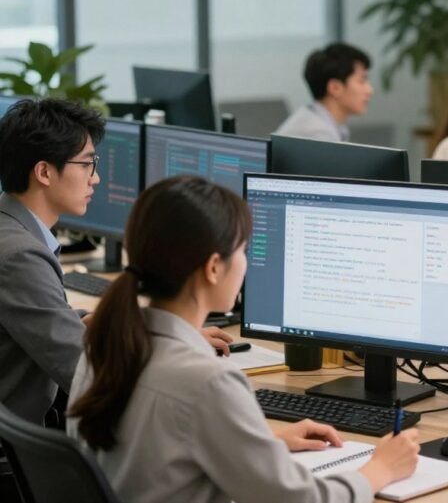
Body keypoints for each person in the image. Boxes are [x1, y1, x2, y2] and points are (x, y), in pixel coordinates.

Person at [67, 176, 420, 503]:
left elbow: (156, 452)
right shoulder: (207, 382)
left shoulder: (103, 344)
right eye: (242, 250)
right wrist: (380, 470)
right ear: (214, 267)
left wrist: (262, 446)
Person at [0, 99, 234, 428]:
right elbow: (85, 371)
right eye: (86, 164)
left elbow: (49, 320)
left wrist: (155, 333)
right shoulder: (19, 254)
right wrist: (178, 352)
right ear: (44, 172)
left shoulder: (12, 229)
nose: (95, 179)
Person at [276, 43, 374, 143]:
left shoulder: (314, 118)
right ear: (335, 88)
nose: (369, 90)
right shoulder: (318, 135)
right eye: (362, 81)